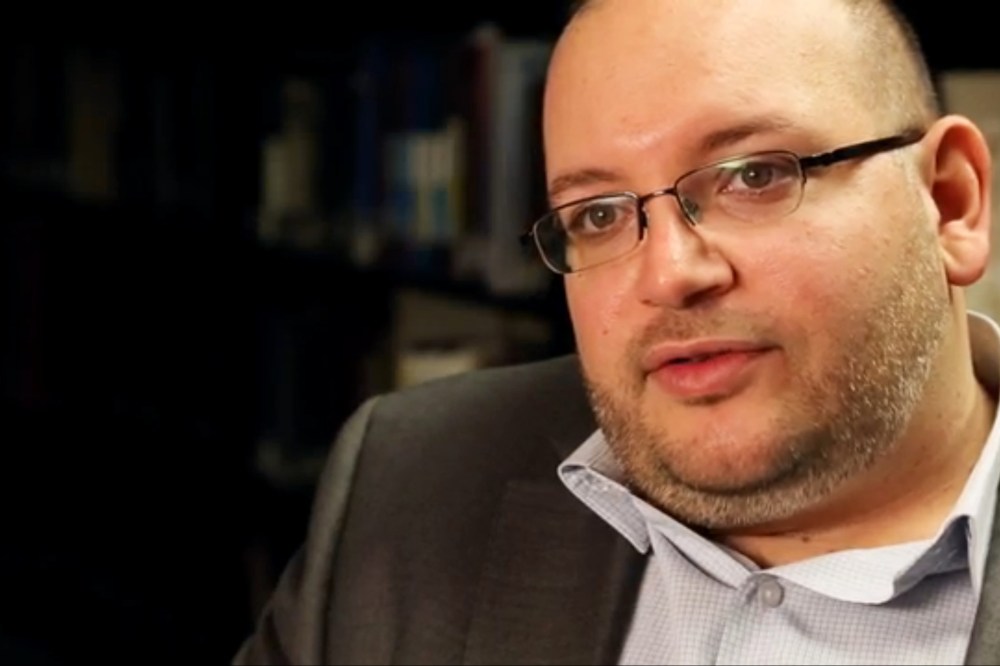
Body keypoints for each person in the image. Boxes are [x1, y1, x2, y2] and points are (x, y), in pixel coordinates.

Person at [234, 0, 1000, 663]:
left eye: (754, 176)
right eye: (597, 215)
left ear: (950, 201)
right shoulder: (414, 479)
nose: (668, 274)